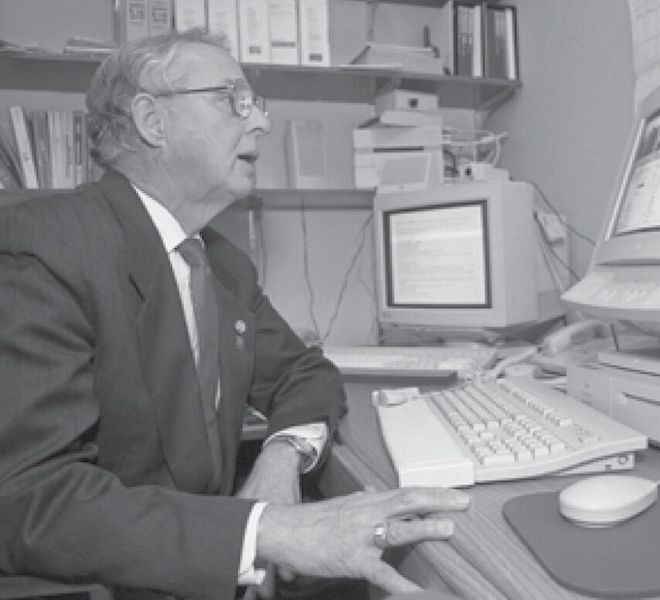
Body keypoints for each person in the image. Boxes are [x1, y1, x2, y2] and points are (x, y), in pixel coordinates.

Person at [0, 29, 469, 600]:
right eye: (233, 100)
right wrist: (263, 532)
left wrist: (281, 455)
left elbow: (304, 372)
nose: (262, 122)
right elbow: (33, 498)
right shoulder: (41, 247)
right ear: (152, 121)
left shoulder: (221, 264)